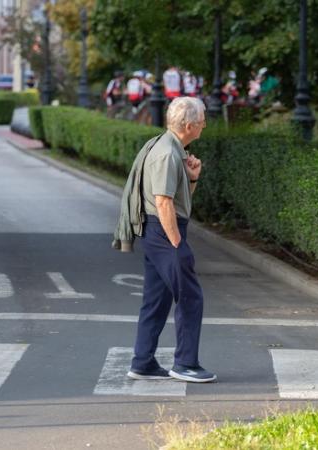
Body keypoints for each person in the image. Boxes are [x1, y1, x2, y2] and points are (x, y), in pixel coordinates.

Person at [120, 97, 215, 383]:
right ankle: (185, 364)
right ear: (189, 125)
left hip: (159, 231)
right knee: (190, 297)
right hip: (163, 233)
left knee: (156, 300)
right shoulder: (168, 154)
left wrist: (192, 179)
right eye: (201, 121)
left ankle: (143, 362)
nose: (204, 125)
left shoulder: (172, 149)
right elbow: (163, 203)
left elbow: (177, 201)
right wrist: (177, 244)